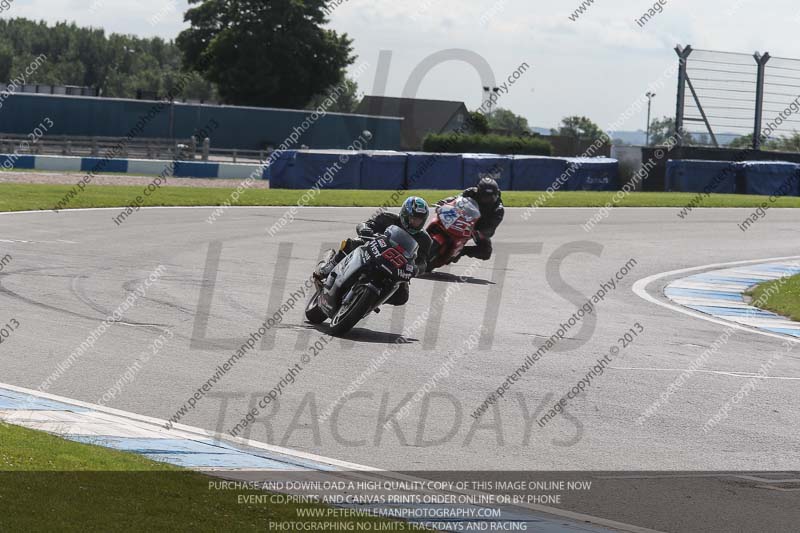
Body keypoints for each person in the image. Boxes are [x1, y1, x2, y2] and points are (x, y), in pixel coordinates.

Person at [314, 196, 431, 305]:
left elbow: (423, 262)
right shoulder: (386, 218)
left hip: (397, 267)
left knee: (402, 296)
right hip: (373, 251)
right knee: (354, 243)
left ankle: (371, 302)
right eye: (413, 218)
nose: (415, 223)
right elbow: (365, 224)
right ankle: (327, 268)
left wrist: (417, 268)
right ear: (405, 214)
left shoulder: (425, 240)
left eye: (419, 220)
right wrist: (365, 229)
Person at [438, 176, 505, 261]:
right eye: (485, 197)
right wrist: (445, 202)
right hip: (462, 217)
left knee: (486, 252)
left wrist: (480, 230)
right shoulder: (471, 192)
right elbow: (456, 199)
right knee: (441, 214)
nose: (487, 200)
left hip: (478, 227)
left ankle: (461, 251)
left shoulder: (498, 209)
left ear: (496, 194)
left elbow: (490, 229)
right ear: (479, 192)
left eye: (491, 197)